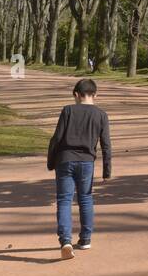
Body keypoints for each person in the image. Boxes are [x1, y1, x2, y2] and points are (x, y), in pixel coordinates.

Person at [46, 78, 113, 259]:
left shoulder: (68, 110)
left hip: (65, 160)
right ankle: (85, 239)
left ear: (76, 94)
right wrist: (107, 171)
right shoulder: (101, 115)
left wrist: (50, 161)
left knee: (64, 200)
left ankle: (66, 240)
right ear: (95, 95)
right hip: (87, 162)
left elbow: (56, 138)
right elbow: (106, 145)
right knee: (85, 199)